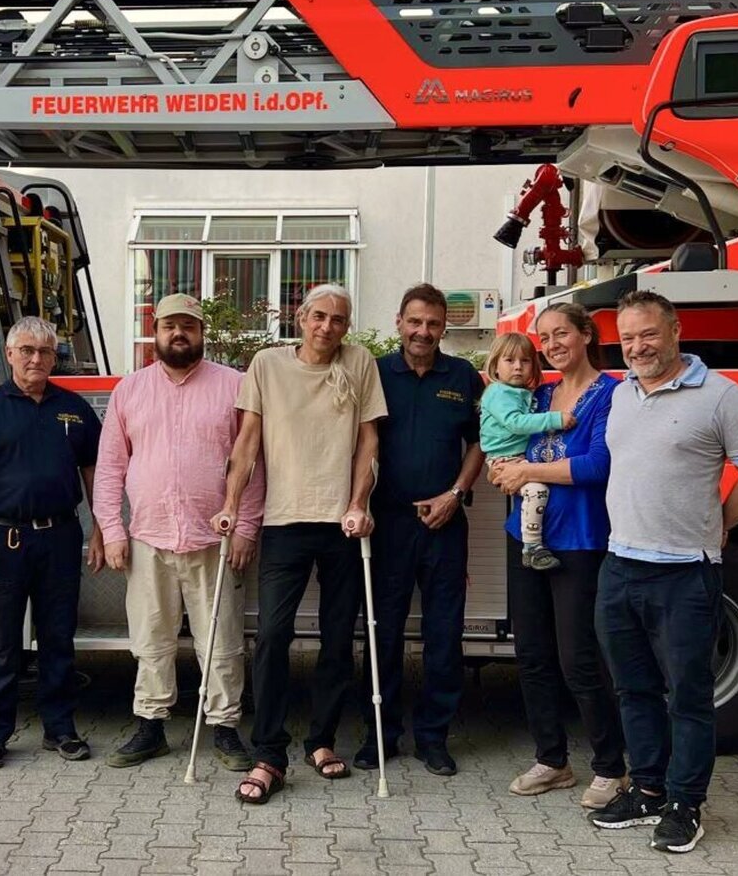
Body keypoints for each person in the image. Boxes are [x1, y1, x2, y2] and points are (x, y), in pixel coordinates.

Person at [589, 290, 738, 853]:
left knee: (687, 697)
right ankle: (646, 789)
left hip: (684, 575)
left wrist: (718, 526)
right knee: (633, 689)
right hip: (620, 566)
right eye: (627, 338)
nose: (638, 347)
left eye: (648, 334)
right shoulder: (621, 395)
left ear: (675, 331)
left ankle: (685, 804)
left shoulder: (722, 397)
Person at [212, 284, 387, 804]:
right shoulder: (267, 364)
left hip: (341, 525)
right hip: (283, 521)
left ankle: (322, 740)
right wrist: (231, 503)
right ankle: (269, 753)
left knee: (338, 638)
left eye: (338, 319)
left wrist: (359, 502)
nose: (327, 327)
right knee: (271, 636)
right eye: (318, 316)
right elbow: (246, 443)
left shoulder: (360, 364)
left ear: (346, 326)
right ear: (301, 317)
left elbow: (369, 442)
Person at [92, 293, 264, 772]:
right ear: (156, 331)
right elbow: (109, 467)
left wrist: (247, 526)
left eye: (188, 325)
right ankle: (151, 725)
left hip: (217, 539)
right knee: (151, 637)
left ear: (202, 332)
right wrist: (111, 529)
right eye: (170, 326)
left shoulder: (235, 386)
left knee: (223, 641)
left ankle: (226, 728)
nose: (178, 334)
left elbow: (251, 464)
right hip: (149, 536)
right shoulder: (130, 390)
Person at [488, 303, 626, 811]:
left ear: (586, 334)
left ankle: (611, 767)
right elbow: (509, 448)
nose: (551, 344)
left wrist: (527, 472)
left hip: (580, 539)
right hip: (523, 535)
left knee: (579, 659)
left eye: (561, 333)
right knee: (533, 655)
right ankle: (552, 760)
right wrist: (504, 470)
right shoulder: (541, 393)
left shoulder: (610, 394)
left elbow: (597, 465)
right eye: (543, 337)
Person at [0, 316, 104, 770]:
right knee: (1, 643)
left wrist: (102, 528)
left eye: (45, 352)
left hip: (60, 537)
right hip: (3, 539)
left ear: (54, 356)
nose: (37, 359)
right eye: (27, 351)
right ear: (11, 353)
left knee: (59, 638)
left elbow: (94, 473)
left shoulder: (75, 409)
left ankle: (60, 730)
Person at [354, 283, 485, 777]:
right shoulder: (375, 373)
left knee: (444, 635)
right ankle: (379, 737)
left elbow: (481, 442)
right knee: (380, 633)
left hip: (446, 525)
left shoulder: (464, 376)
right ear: (399, 322)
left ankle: (434, 738)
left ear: (443, 328)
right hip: (386, 525)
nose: (423, 332)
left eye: (432, 324)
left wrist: (454, 494)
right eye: (415, 322)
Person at [481, 331, 577, 572]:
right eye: (509, 360)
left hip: (518, 458)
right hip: (505, 459)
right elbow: (516, 422)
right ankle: (532, 546)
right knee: (537, 490)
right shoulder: (498, 393)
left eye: (525, 361)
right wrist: (556, 419)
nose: (518, 367)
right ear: (495, 366)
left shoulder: (525, 393)